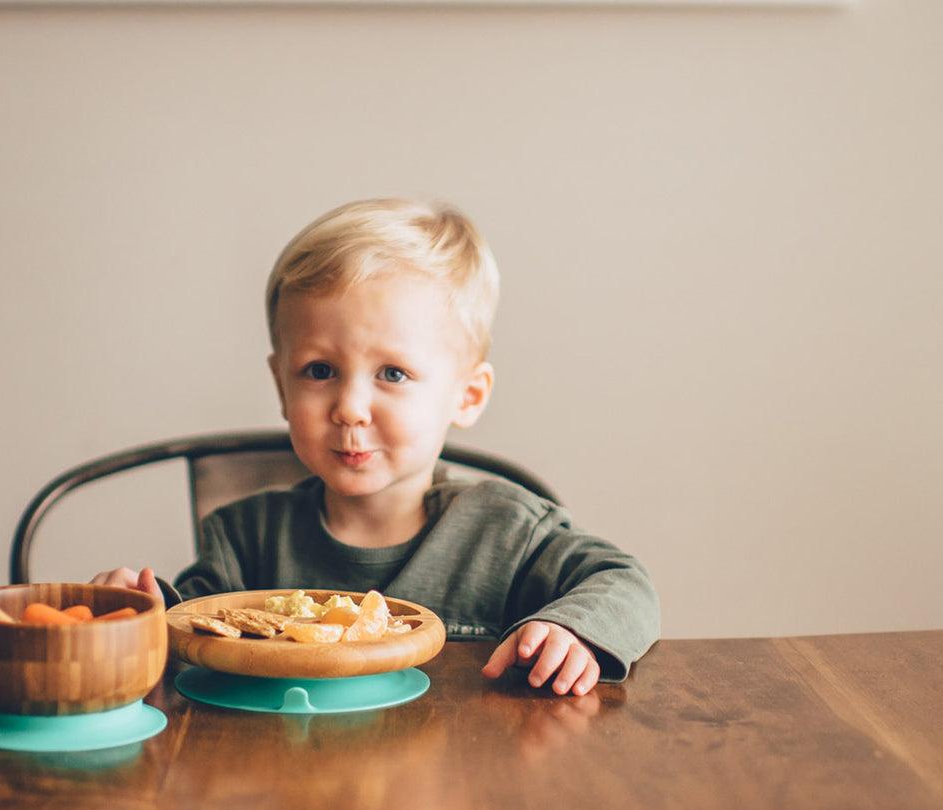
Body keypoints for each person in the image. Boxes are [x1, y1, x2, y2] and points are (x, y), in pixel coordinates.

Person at [93, 197, 659, 696]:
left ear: (467, 395)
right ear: (280, 387)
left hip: (455, 789)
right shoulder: (247, 539)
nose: (349, 408)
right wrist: (139, 612)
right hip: (286, 788)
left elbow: (624, 583)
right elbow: (192, 639)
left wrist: (572, 630)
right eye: (319, 370)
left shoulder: (507, 531)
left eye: (392, 373)